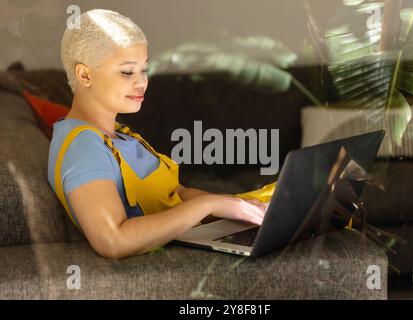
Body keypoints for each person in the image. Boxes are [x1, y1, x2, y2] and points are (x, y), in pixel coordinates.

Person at [48, 9, 275, 260]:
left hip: (193, 234)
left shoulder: (121, 135)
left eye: (144, 70)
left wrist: (234, 206)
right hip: (178, 258)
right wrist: (209, 206)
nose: (142, 82)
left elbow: (177, 193)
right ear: (85, 74)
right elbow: (113, 241)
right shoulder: (84, 147)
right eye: (127, 72)